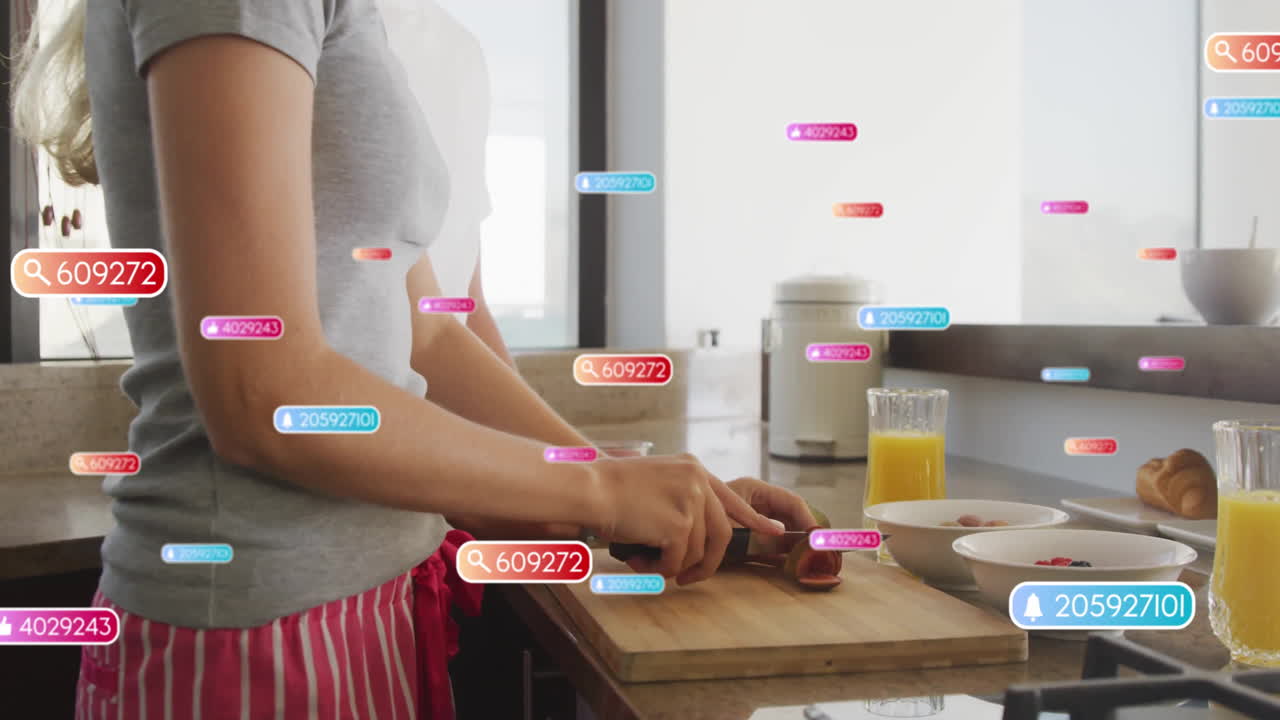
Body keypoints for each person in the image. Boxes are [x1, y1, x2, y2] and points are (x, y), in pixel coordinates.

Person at [12, 1, 819, 717]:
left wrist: (648, 494)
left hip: (365, 615)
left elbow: (429, 337)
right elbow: (264, 387)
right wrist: (602, 493)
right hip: (252, 637)